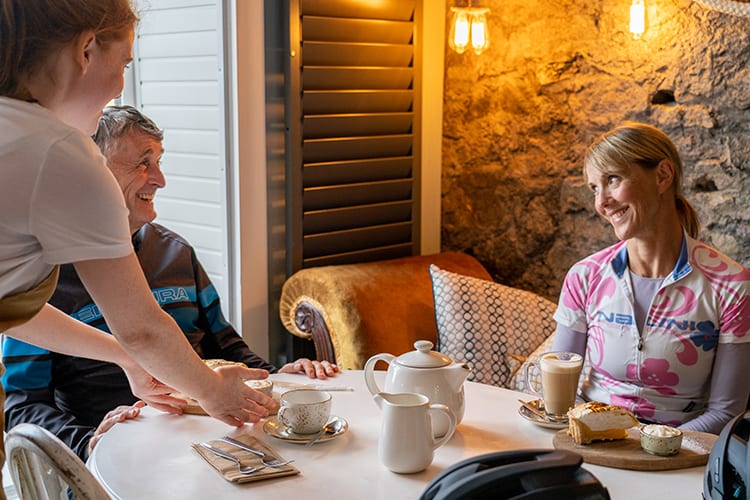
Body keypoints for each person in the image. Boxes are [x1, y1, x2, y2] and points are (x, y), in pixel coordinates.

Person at [0, 2, 269, 488]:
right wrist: (212, 392)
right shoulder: (61, 154)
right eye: (124, 63)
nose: (123, 82)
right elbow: (143, 329)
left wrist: (127, 359)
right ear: (85, 50)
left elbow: (17, 311)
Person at [2, 105, 338, 460]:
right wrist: (87, 442)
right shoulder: (38, 277)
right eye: (142, 163)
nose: (160, 180)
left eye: (159, 162)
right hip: (114, 461)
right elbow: (22, 406)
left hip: (213, 443)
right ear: (90, 171)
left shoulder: (176, 253)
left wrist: (279, 377)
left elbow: (226, 348)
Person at [552, 121, 750, 434]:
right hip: (591, 441)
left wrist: (653, 448)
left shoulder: (731, 285)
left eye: (612, 179)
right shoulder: (584, 277)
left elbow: (727, 411)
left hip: (683, 453)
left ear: (662, 176)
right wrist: (591, 435)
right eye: (594, 188)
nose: (600, 202)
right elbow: (558, 392)